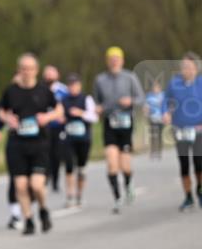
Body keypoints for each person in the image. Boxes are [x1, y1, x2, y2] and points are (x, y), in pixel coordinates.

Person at [0, 53, 63, 235]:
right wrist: (8, 119)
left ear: (36, 70)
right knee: (20, 185)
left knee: (36, 185)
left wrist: (47, 117)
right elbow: (1, 111)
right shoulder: (11, 91)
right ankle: (28, 220)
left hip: (39, 143)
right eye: (23, 69)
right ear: (18, 70)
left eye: (30, 69)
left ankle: (43, 209)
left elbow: (59, 110)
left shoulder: (44, 90)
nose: (27, 72)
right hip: (17, 144)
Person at [93, 46, 145, 214]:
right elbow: (96, 102)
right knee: (111, 162)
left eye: (117, 59)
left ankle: (129, 183)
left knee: (125, 165)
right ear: (107, 61)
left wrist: (130, 101)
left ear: (122, 61)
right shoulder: (100, 80)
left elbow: (141, 98)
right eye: (111, 59)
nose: (114, 62)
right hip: (109, 123)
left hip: (126, 123)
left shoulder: (130, 77)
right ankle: (117, 197)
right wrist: (98, 108)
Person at [162, 52, 202, 211]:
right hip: (180, 129)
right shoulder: (174, 84)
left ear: (196, 69)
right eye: (184, 67)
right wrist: (165, 112)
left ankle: (200, 191)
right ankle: (188, 197)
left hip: (199, 129)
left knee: (199, 164)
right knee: (184, 164)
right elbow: (165, 101)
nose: (187, 70)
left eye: (190, 67)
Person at [61, 74, 98, 207]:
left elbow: (94, 117)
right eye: (70, 85)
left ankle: (80, 195)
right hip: (68, 138)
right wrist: (61, 119)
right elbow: (59, 115)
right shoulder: (63, 100)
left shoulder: (86, 99)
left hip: (84, 139)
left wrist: (80, 113)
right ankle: (70, 195)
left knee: (81, 168)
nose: (72, 88)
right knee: (69, 167)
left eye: (75, 85)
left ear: (79, 85)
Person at [42, 65, 68, 192]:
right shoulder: (40, 89)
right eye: (47, 74)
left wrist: (64, 117)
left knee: (56, 154)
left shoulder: (63, 90)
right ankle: (44, 178)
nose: (49, 76)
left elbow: (69, 105)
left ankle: (55, 181)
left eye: (51, 74)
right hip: (43, 127)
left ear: (57, 75)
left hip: (58, 128)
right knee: (44, 153)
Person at [145, 80, 165, 160]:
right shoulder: (149, 96)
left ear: (159, 88)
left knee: (159, 135)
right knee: (153, 135)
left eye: (157, 87)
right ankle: (153, 152)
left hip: (161, 118)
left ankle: (159, 152)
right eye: (154, 87)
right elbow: (146, 106)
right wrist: (146, 113)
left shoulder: (163, 95)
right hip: (152, 118)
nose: (155, 89)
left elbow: (166, 106)